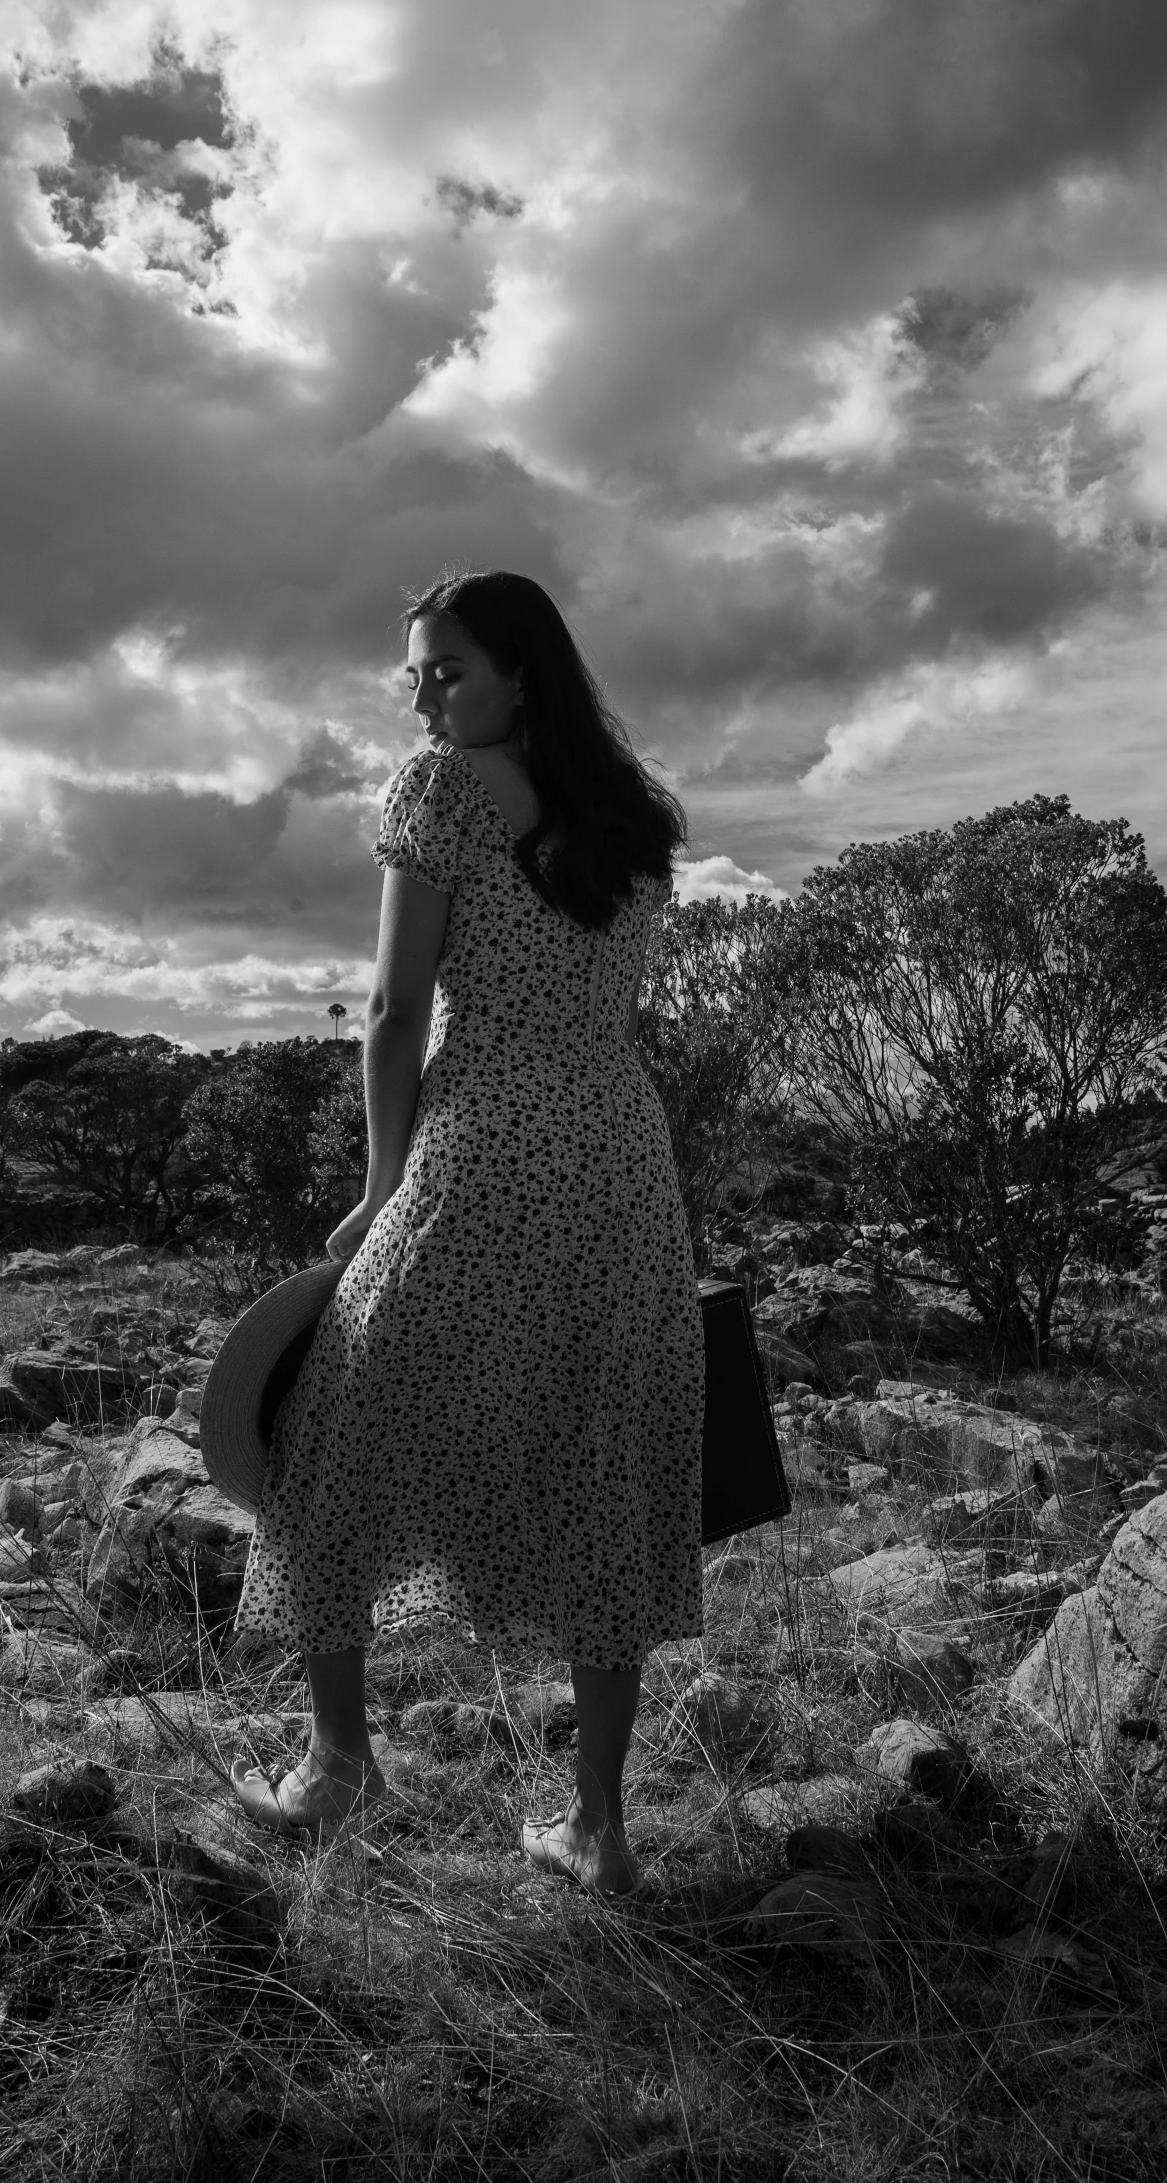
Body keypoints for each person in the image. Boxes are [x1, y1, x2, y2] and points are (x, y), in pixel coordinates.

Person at [231, 570, 704, 1894]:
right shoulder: (632, 814)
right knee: (605, 1456)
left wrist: (382, 1189)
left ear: (520, 676)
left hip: (484, 1143)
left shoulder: (436, 791)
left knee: (335, 1430)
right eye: (415, 675)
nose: (423, 695)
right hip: (620, 1148)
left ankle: (337, 1768)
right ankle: (599, 1831)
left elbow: (391, 1012)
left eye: (446, 670)